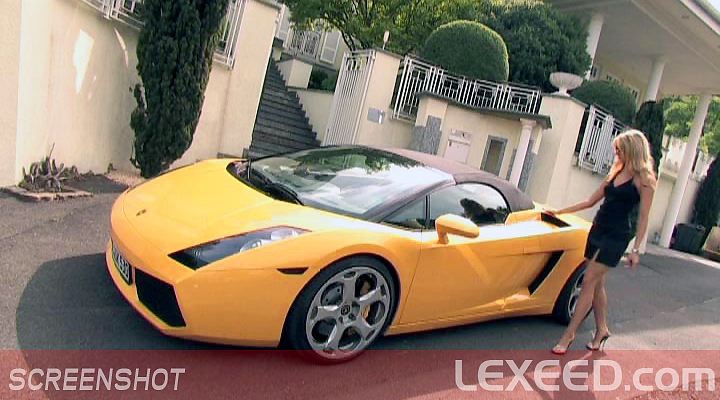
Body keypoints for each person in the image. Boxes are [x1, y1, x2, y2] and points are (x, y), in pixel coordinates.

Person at [547, 129, 657, 354]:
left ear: (632, 150)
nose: (616, 153)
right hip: (598, 228)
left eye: (619, 149)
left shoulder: (645, 180)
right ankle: (602, 329)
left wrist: (636, 250)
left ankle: (568, 336)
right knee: (596, 283)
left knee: (588, 279)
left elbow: (644, 217)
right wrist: (559, 211)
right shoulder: (616, 171)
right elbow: (590, 201)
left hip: (617, 235)